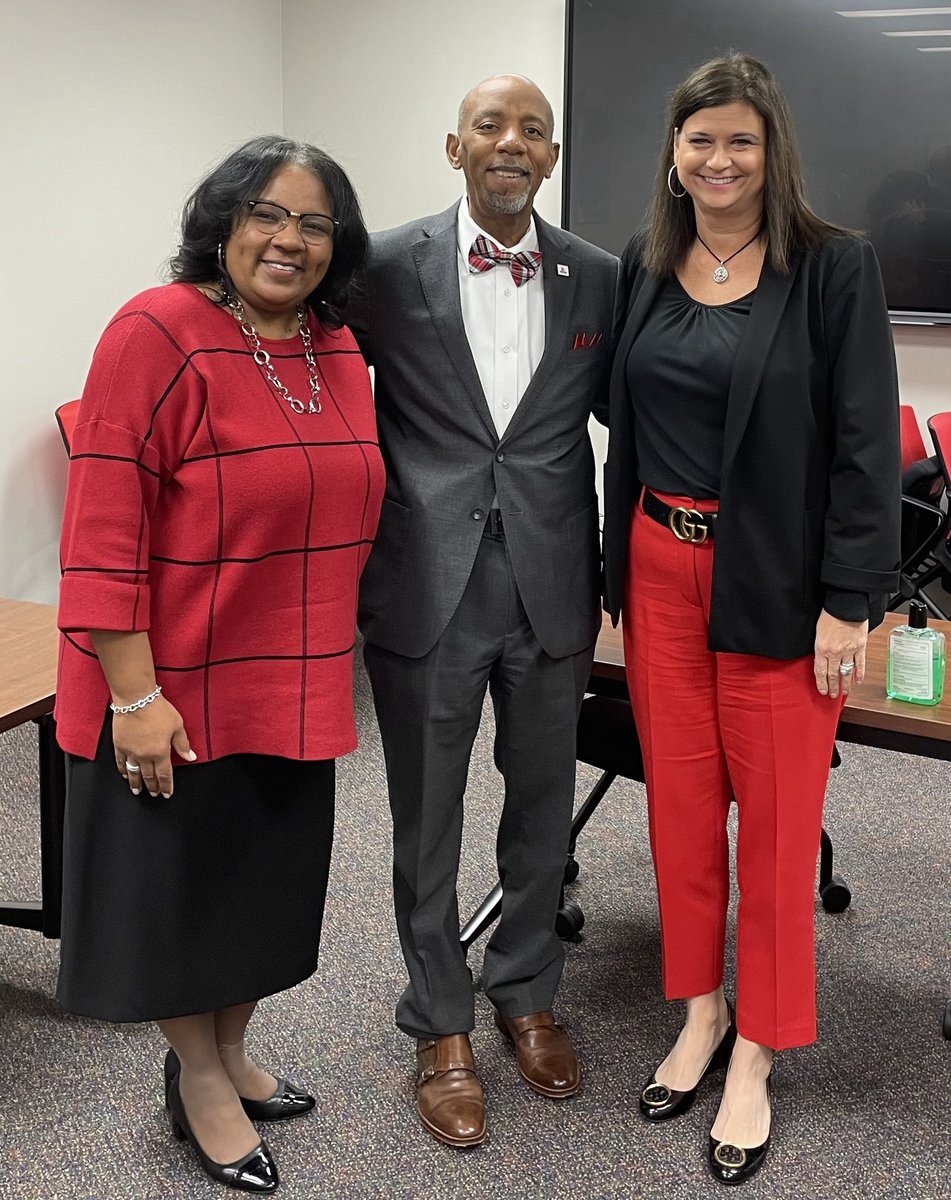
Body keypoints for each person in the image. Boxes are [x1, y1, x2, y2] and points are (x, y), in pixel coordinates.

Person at [55, 135, 384, 1194]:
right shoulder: (157, 334)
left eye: (315, 222)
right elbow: (103, 530)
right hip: (174, 684)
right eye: (266, 215)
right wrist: (134, 696)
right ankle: (196, 1075)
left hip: (295, 674)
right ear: (223, 222)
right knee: (177, 896)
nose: (289, 239)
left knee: (260, 891)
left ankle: (232, 1047)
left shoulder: (334, 347)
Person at [601, 54, 900, 1184]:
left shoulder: (832, 268)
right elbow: (620, 420)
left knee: (777, 829)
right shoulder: (644, 262)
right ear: (673, 154)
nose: (718, 161)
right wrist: (618, 575)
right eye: (698, 140)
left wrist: (850, 599)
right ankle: (699, 1008)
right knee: (681, 810)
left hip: (778, 580)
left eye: (740, 141)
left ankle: (759, 1054)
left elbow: (870, 445)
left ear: (772, 151)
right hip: (657, 568)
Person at [346, 74, 621, 1148]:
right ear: (455, 147)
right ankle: (440, 1021)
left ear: (551, 156)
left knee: (543, 808)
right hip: (426, 580)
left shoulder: (597, 276)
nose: (513, 143)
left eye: (534, 130)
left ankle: (525, 990)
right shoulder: (382, 265)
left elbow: (639, 418)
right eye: (492, 128)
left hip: (553, 584)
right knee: (426, 815)